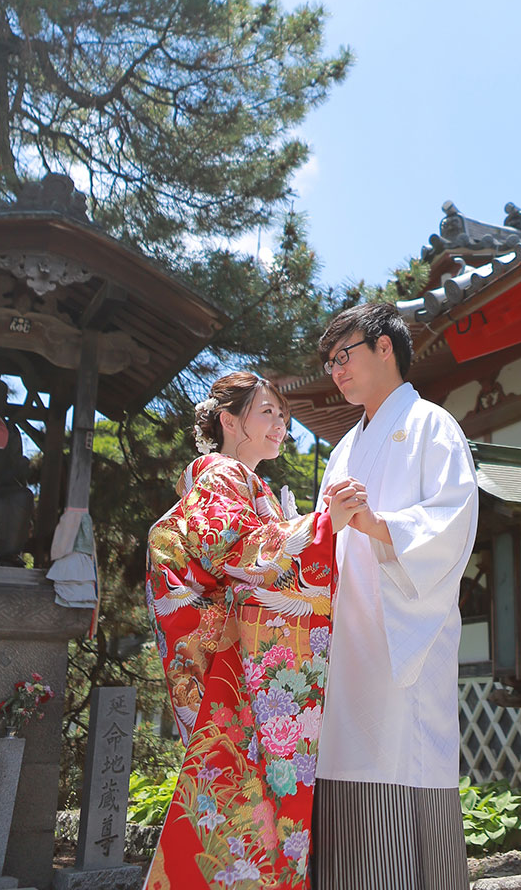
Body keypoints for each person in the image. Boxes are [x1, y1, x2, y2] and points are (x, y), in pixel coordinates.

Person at [145, 372, 365, 890]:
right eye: (268, 412)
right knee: (240, 792)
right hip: (232, 662)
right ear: (229, 420)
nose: (281, 424)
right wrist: (319, 525)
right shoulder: (219, 472)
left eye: (283, 416)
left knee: (241, 794)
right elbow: (235, 549)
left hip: (244, 657)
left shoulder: (249, 483)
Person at [312, 303, 479, 890]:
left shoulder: (433, 425)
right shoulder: (341, 450)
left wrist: (379, 524)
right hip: (346, 635)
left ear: (386, 347)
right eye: (330, 361)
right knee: (342, 758)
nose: (336, 370)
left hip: (403, 630)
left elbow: (453, 521)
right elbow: (322, 537)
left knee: (402, 756)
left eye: (344, 355)